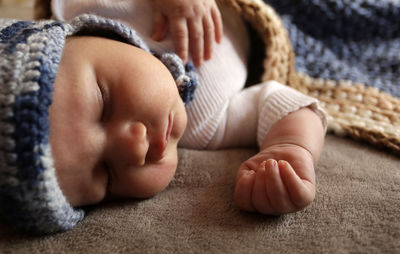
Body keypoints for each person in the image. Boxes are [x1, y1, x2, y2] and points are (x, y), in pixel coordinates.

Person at [0, 0, 326, 234]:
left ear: (75, 35)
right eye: (106, 175)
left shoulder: (84, 6)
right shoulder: (204, 125)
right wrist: (290, 149)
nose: (134, 146)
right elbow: (280, 102)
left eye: (104, 102)